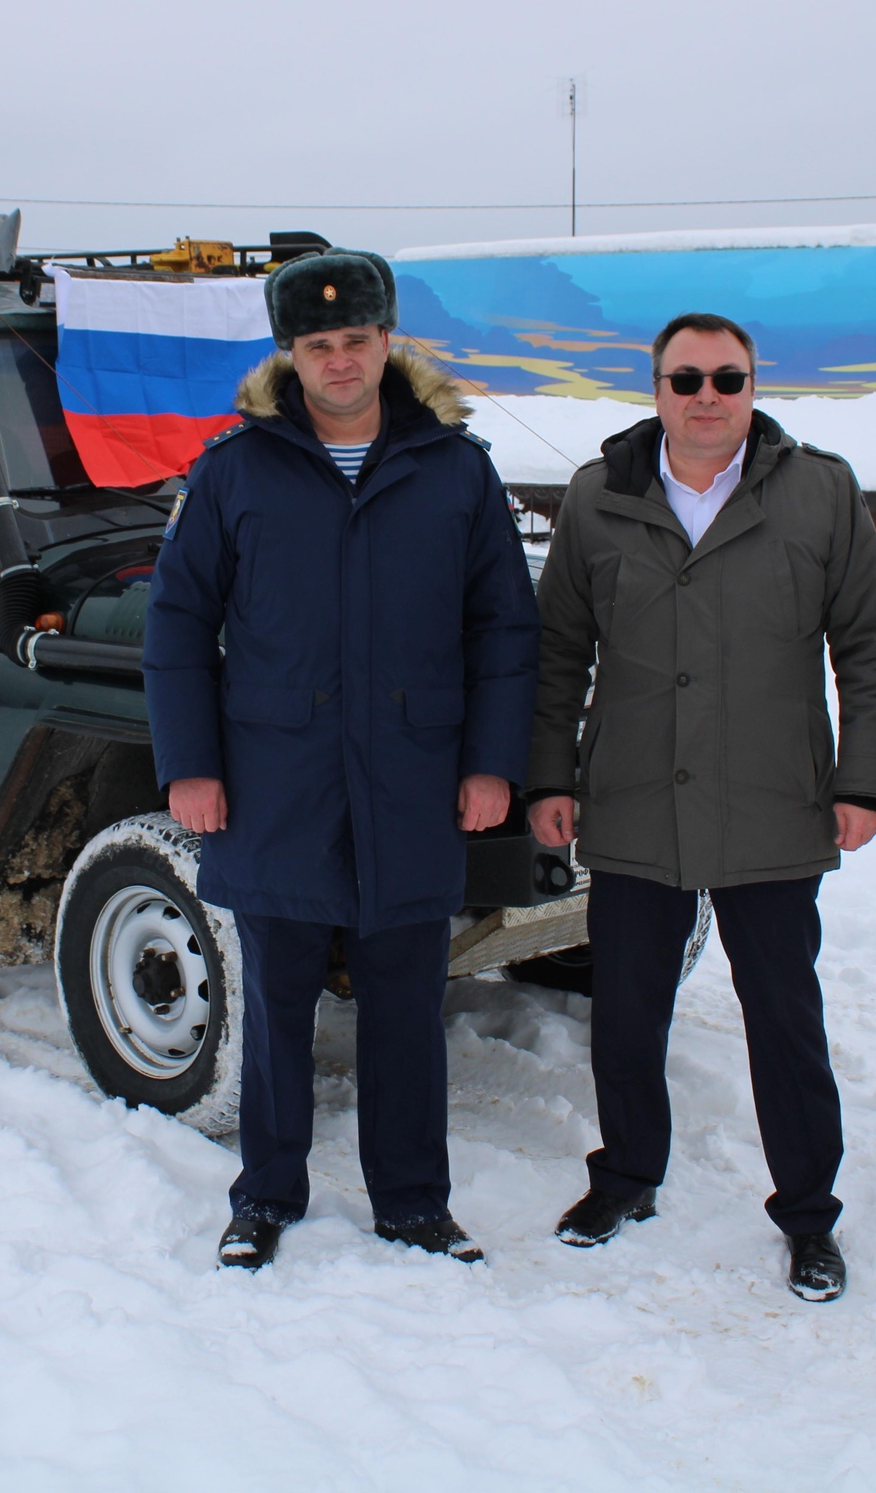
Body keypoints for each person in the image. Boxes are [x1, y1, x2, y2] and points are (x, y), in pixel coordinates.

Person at [144, 249, 540, 1271]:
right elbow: (179, 624)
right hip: (278, 780)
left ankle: (412, 1201)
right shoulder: (234, 471)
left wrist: (492, 763)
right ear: (290, 355)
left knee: (406, 1003)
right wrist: (190, 764)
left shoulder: (455, 470)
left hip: (409, 778)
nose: (338, 361)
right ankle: (266, 1194)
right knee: (274, 1000)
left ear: (388, 342)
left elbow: (503, 628)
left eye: (355, 340)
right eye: (317, 345)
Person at [526, 312, 876, 1302]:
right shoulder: (598, 498)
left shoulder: (820, 492)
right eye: (684, 380)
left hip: (776, 804)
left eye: (725, 381)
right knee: (627, 1010)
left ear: (751, 387)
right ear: (654, 389)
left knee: (783, 1016)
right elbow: (557, 652)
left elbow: (866, 641)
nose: (705, 399)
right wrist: (548, 776)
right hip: (636, 798)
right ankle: (626, 1178)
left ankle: (809, 1215)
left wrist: (864, 779)